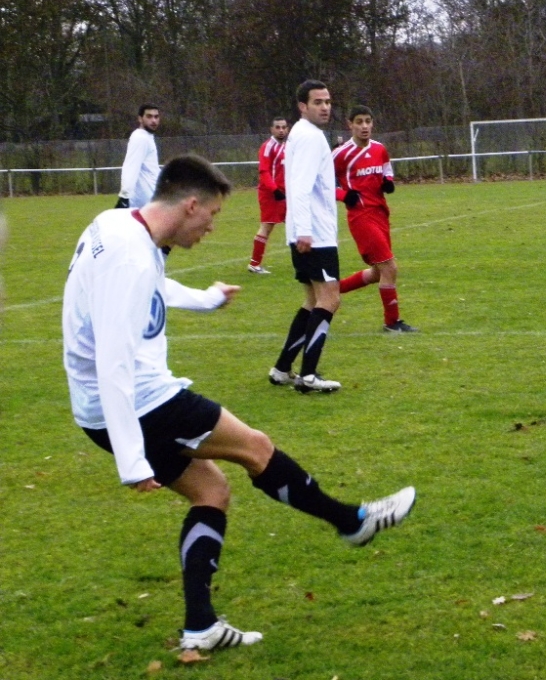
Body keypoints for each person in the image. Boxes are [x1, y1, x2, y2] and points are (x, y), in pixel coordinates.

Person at [62, 154, 416, 651]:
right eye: (212, 216)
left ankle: (200, 627)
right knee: (255, 447)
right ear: (190, 206)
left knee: (212, 492)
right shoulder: (131, 254)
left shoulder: (117, 225)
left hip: (101, 408)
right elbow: (114, 361)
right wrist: (131, 457)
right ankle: (352, 523)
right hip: (140, 403)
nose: (210, 228)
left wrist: (204, 298)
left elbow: (148, 288)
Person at [269, 81, 343, 393]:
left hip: (306, 231)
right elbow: (299, 187)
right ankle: (308, 376)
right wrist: (305, 231)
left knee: (312, 300)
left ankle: (282, 368)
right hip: (315, 235)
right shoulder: (310, 138)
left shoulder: (302, 134)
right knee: (330, 299)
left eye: (327, 101)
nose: (325, 107)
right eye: (317, 102)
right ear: (302, 106)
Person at [333, 106, 418, 333]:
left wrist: (388, 181)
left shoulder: (380, 149)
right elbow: (321, 183)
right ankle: (392, 322)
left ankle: (330, 291)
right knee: (390, 267)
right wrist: (343, 195)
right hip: (361, 217)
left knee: (378, 272)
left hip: (381, 213)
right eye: (359, 122)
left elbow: (386, 168)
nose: (364, 126)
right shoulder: (340, 154)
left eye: (367, 121)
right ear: (349, 124)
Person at [247, 117, 290, 274]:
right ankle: (254, 264)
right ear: (272, 129)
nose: (281, 130)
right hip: (271, 194)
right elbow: (264, 172)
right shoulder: (267, 147)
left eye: (284, 127)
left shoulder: (288, 146)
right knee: (267, 226)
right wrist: (274, 190)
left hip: (285, 194)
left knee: (297, 224)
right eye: (278, 127)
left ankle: (306, 261)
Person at [114, 103, 160, 209]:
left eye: (156, 117)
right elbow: (131, 167)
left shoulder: (147, 137)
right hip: (145, 203)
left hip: (153, 200)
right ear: (140, 119)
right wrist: (124, 198)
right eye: (149, 116)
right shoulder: (140, 138)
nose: (153, 120)